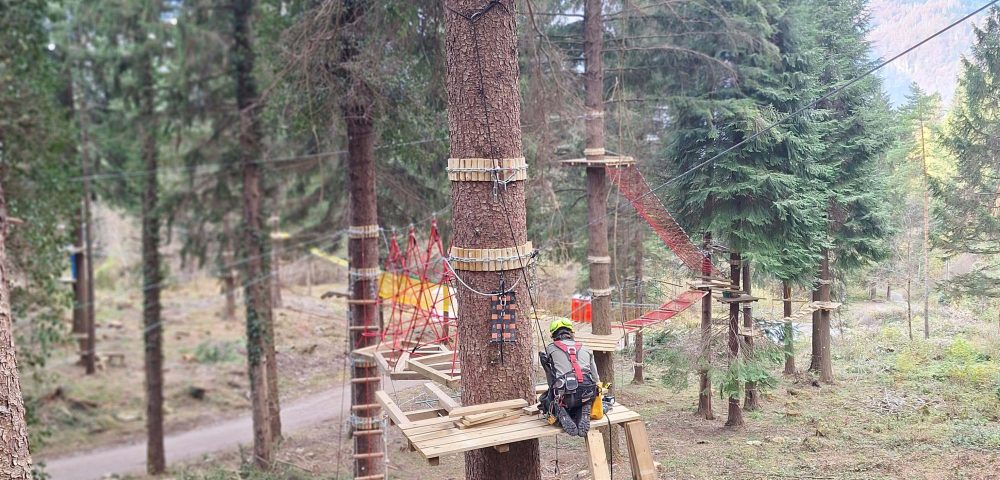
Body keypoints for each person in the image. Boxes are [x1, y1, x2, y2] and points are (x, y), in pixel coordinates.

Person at [538, 318, 600, 437]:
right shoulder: (586, 348)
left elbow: (551, 382)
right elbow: (596, 378)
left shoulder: (550, 349)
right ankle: (584, 407)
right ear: (571, 333)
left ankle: (560, 409)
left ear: (553, 335)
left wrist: (545, 364)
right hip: (587, 393)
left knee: (547, 399)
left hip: (565, 394)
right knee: (582, 397)